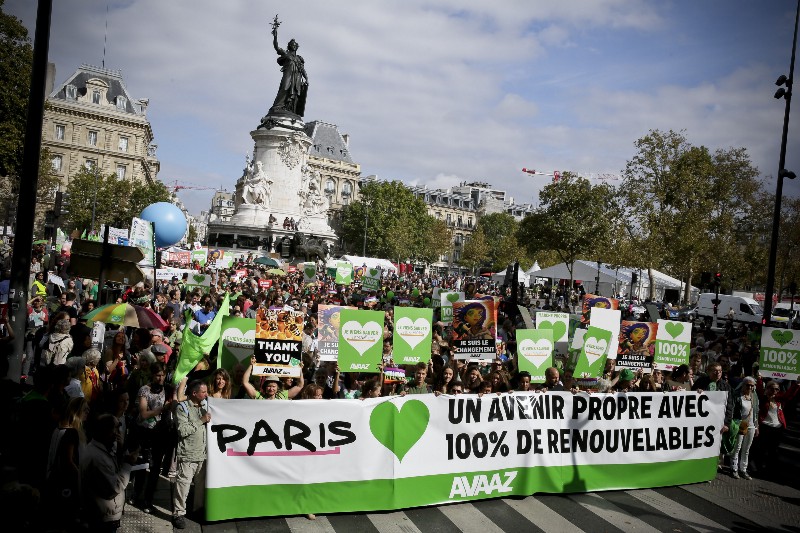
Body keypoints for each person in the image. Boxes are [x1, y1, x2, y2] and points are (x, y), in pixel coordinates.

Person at [81, 414, 139, 532]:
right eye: (116, 428)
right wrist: (128, 463)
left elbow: (114, 468)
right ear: (106, 431)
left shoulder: (104, 448)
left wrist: (122, 450)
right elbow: (114, 488)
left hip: (105, 514)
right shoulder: (98, 458)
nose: (119, 432)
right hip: (102, 518)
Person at [172, 380, 210, 529]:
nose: (207, 394)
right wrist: (201, 420)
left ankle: (197, 510)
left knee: (200, 487)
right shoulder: (182, 408)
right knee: (183, 486)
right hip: (188, 454)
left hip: (203, 454)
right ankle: (178, 514)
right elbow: (182, 430)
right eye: (204, 392)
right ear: (194, 393)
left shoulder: (206, 406)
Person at [269, 21, 309, 116]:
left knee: (295, 93)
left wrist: (306, 78)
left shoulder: (299, 58)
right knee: (285, 87)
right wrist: (275, 36)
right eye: (292, 44)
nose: (293, 46)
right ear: (289, 46)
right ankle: (278, 106)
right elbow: (276, 47)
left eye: (295, 45)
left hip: (297, 77)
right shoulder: (286, 54)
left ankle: (289, 109)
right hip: (288, 74)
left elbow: (302, 69)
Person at [729, 376, 758, 480]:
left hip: (751, 426)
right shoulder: (737, 396)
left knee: (746, 449)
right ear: (743, 385)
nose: (749, 387)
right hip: (739, 424)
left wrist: (756, 426)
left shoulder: (754, 397)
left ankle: (743, 469)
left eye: (752, 385)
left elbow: (756, 412)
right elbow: (732, 411)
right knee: (737, 447)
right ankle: (734, 468)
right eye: (747, 385)